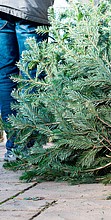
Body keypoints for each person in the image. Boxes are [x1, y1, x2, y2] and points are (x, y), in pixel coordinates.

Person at [0, 0, 54, 161]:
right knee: (33, 75)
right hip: (32, 10)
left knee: (6, 75)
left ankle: (15, 147)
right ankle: (28, 146)